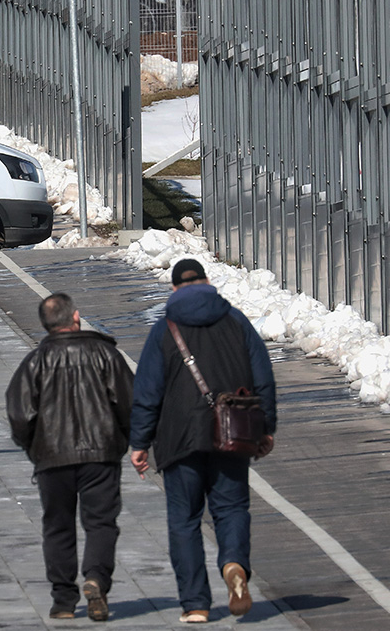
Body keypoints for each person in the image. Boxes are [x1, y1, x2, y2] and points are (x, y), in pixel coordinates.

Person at [129, 258, 276, 624]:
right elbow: (264, 377)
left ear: (175, 288)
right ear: (208, 282)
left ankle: (195, 605)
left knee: (185, 520)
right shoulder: (236, 320)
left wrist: (139, 443)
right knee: (231, 508)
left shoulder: (165, 328)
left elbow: (148, 391)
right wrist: (266, 428)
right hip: (233, 432)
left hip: (178, 438)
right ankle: (234, 565)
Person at [6, 293, 134, 622]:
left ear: (47, 325)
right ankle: (96, 580)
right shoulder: (106, 354)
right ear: (75, 317)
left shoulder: (35, 361)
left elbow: (20, 413)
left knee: (58, 527)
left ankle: (63, 600)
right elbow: (129, 403)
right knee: (101, 523)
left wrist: (33, 447)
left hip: (51, 458)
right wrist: (129, 440)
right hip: (100, 454)